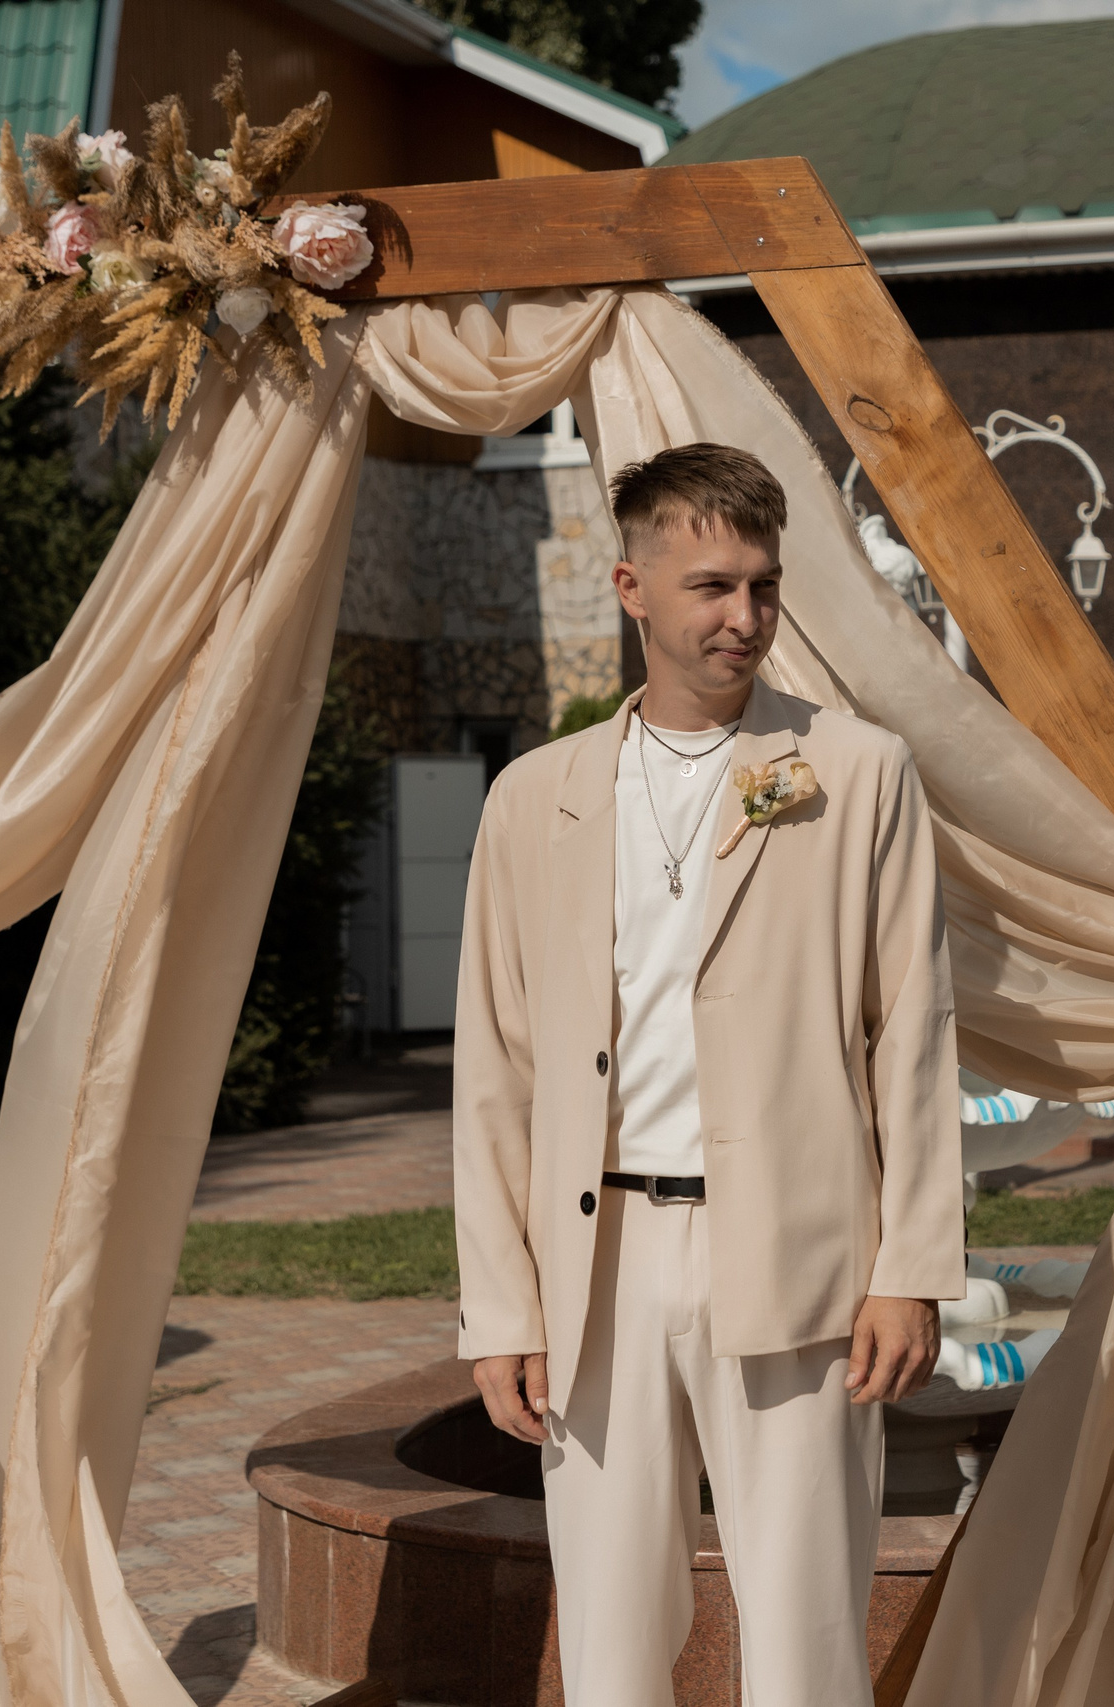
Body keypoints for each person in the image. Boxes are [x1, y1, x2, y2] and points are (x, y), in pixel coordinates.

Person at [452, 442, 965, 1707]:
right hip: (596, 1267)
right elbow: (496, 1071)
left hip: (798, 1261)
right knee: (612, 1646)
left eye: (764, 586)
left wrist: (910, 1269)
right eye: (711, 587)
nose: (745, 618)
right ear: (631, 587)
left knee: (803, 1638)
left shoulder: (855, 773)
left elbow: (911, 1032)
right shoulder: (533, 797)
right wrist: (500, 1309)